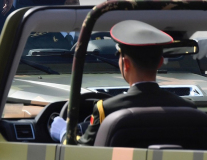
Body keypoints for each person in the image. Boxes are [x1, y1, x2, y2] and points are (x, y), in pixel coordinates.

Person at [50, 20, 196, 145]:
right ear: (160, 62)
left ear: (125, 64)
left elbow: (82, 153)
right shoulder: (188, 109)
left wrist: (64, 133)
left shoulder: (107, 109)